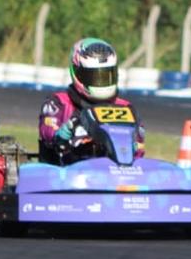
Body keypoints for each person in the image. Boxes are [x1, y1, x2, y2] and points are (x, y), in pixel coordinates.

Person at [38, 37, 145, 165]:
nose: (100, 83)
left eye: (106, 76)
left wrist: (133, 146)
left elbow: (139, 150)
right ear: (77, 72)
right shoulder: (59, 102)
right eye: (94, 77)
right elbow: (47, 132)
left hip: (115, 173)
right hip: (67, 170)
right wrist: (62, 134)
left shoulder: (125, 108)